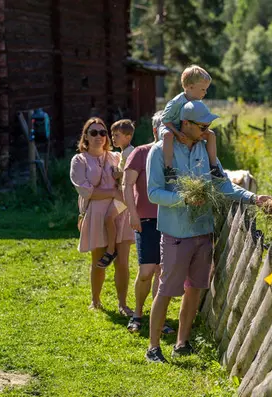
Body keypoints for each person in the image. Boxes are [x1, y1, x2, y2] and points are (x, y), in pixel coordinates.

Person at [145, 101, 270, 363]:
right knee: (167, 289)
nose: (207, 130)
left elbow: (223, 185)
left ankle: (182, 342)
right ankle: (153, 347)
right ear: (186, 123)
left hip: (203, 230)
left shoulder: (205, 150)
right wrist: (184, 199)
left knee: (196, 288)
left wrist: (253, 198)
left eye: (209, 125)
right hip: (176, 232)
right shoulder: (159, 152)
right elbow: (153, 193)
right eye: (203, 125)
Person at [69, 117, 134, 315]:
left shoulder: (116, 156)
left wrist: (119, 184)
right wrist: (112, 192)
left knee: (122, 261)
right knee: (99, 260)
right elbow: (86, 191)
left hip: (120, 212)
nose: (99, 136)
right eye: (94, 133)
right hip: (96, 214)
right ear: (86, 137)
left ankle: (122, 304)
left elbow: (129, 178)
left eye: (103, 132)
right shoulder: (79, 160)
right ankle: (95, 300)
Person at [123, 111, 174, 335]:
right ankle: (137, 313)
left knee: (162, 270)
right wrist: (132, 214)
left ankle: (158, 318)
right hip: (145, 218)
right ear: (155, 130)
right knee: (146, 270)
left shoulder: (175, 155)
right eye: (164, 129)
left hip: (170, 218)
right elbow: (127, 185)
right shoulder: (141, 153)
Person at [159, 65, 223, 179]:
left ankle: (214, 167)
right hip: (171, 127)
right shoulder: (176, 102)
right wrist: (177, 133)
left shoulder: (197, 102)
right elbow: (164, 120)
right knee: (168, 136)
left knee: (211, 134)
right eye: (203, 89)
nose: (205, 93)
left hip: (188, 129)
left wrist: (203, 129)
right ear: (191, 87)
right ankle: (168, 169)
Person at [96, 119, 136, 268]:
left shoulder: (130, 153)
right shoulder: (123, 152)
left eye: (117, 135)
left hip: (126, 194)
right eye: (112, 135)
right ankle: (113, 247)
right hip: (122, 192)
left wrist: (118, 174)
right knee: (111, 220)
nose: (113, 138)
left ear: (128, 136)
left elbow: (132, 174)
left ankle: (111, 250)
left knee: (108, 218)